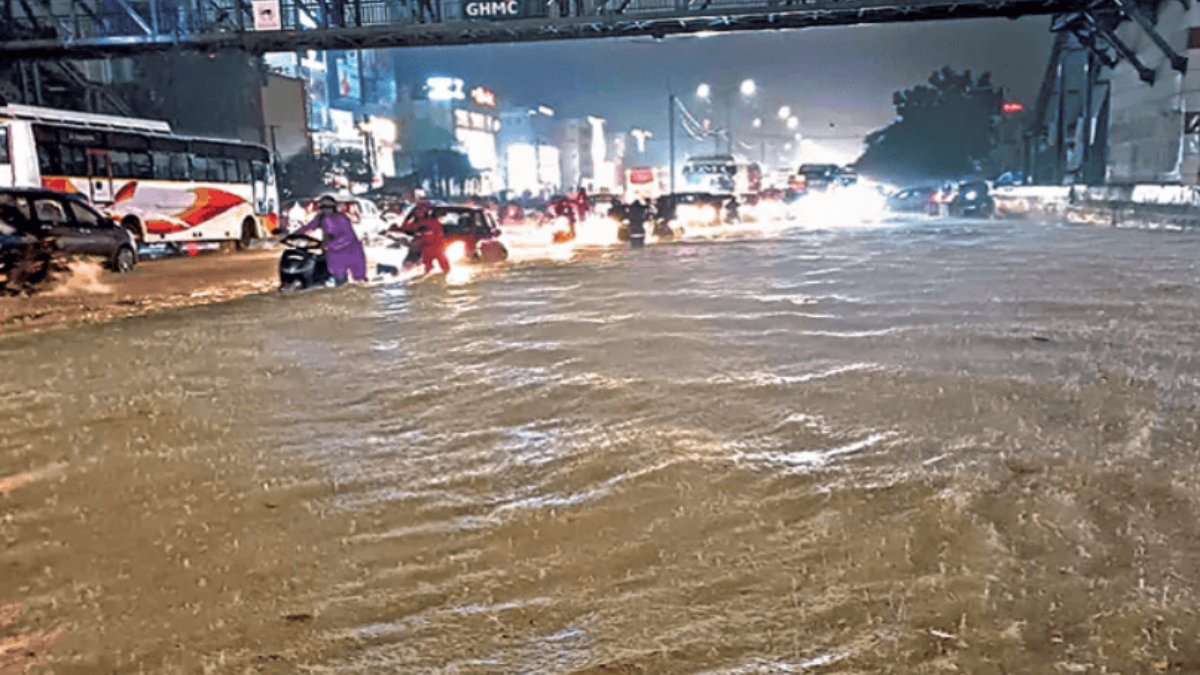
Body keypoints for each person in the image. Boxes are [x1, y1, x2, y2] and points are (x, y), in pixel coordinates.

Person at [293, 195, 367, 284]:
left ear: (334, 208)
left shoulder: (341, 218)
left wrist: (328, 243)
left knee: (359, 280)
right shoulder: (320, 218)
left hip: (352, 251)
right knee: (339, 282)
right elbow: (307, 229)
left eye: (328, 207)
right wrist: (292, 235)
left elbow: (348, 237)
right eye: (323, 207)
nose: (326, 210)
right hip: (335, 254)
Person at [409, 201, 450, 275]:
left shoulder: (433, 221)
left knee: (445, 267)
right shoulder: (417, 222)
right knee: (427, 268)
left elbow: (438, 233)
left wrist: (425, 234)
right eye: (417, 211)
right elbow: (411, 230)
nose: (418, 213)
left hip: (437, 247)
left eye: (420, 211)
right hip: (426, 248)